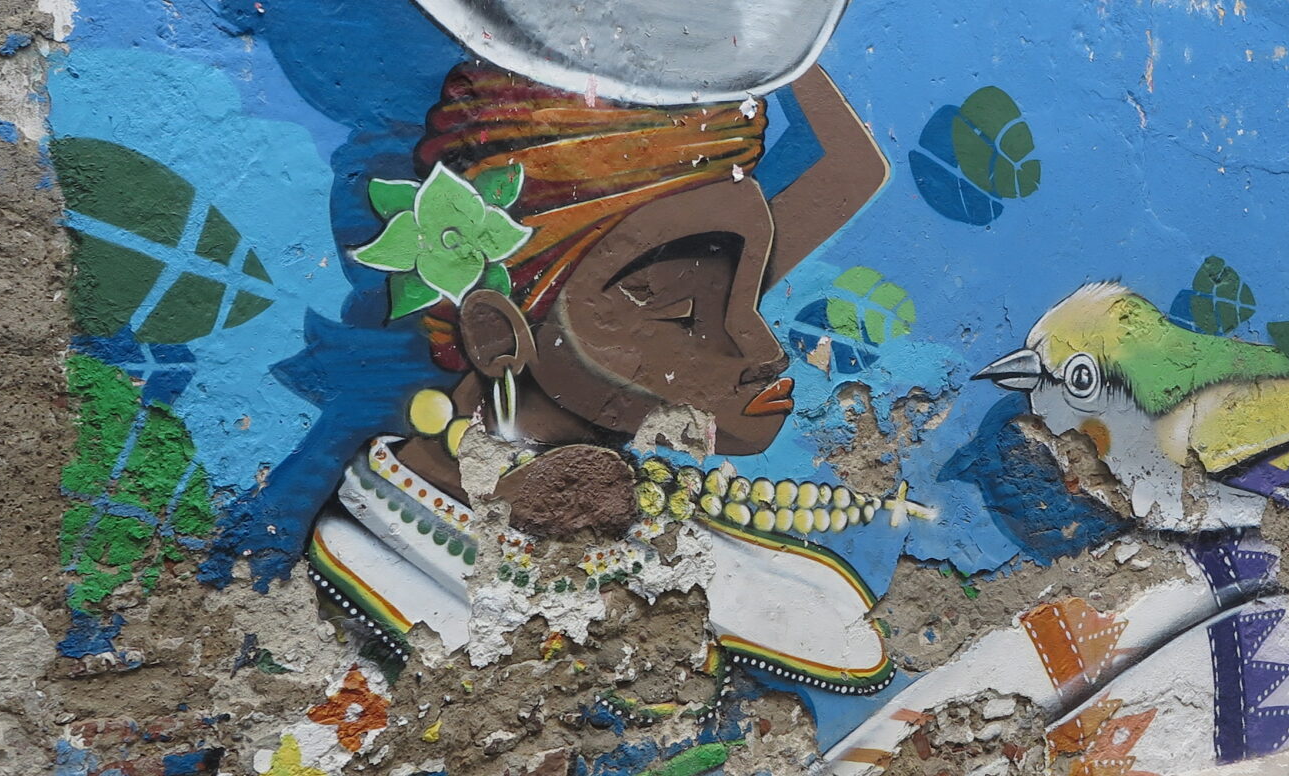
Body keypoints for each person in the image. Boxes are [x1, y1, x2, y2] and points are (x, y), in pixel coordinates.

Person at [303, 58, 891, 675]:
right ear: (498, 336)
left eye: (748, 293)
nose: (764, 351)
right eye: (681, 313)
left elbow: (848, 170)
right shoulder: (387, 580)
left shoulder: (653, 531)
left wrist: (752, 36)